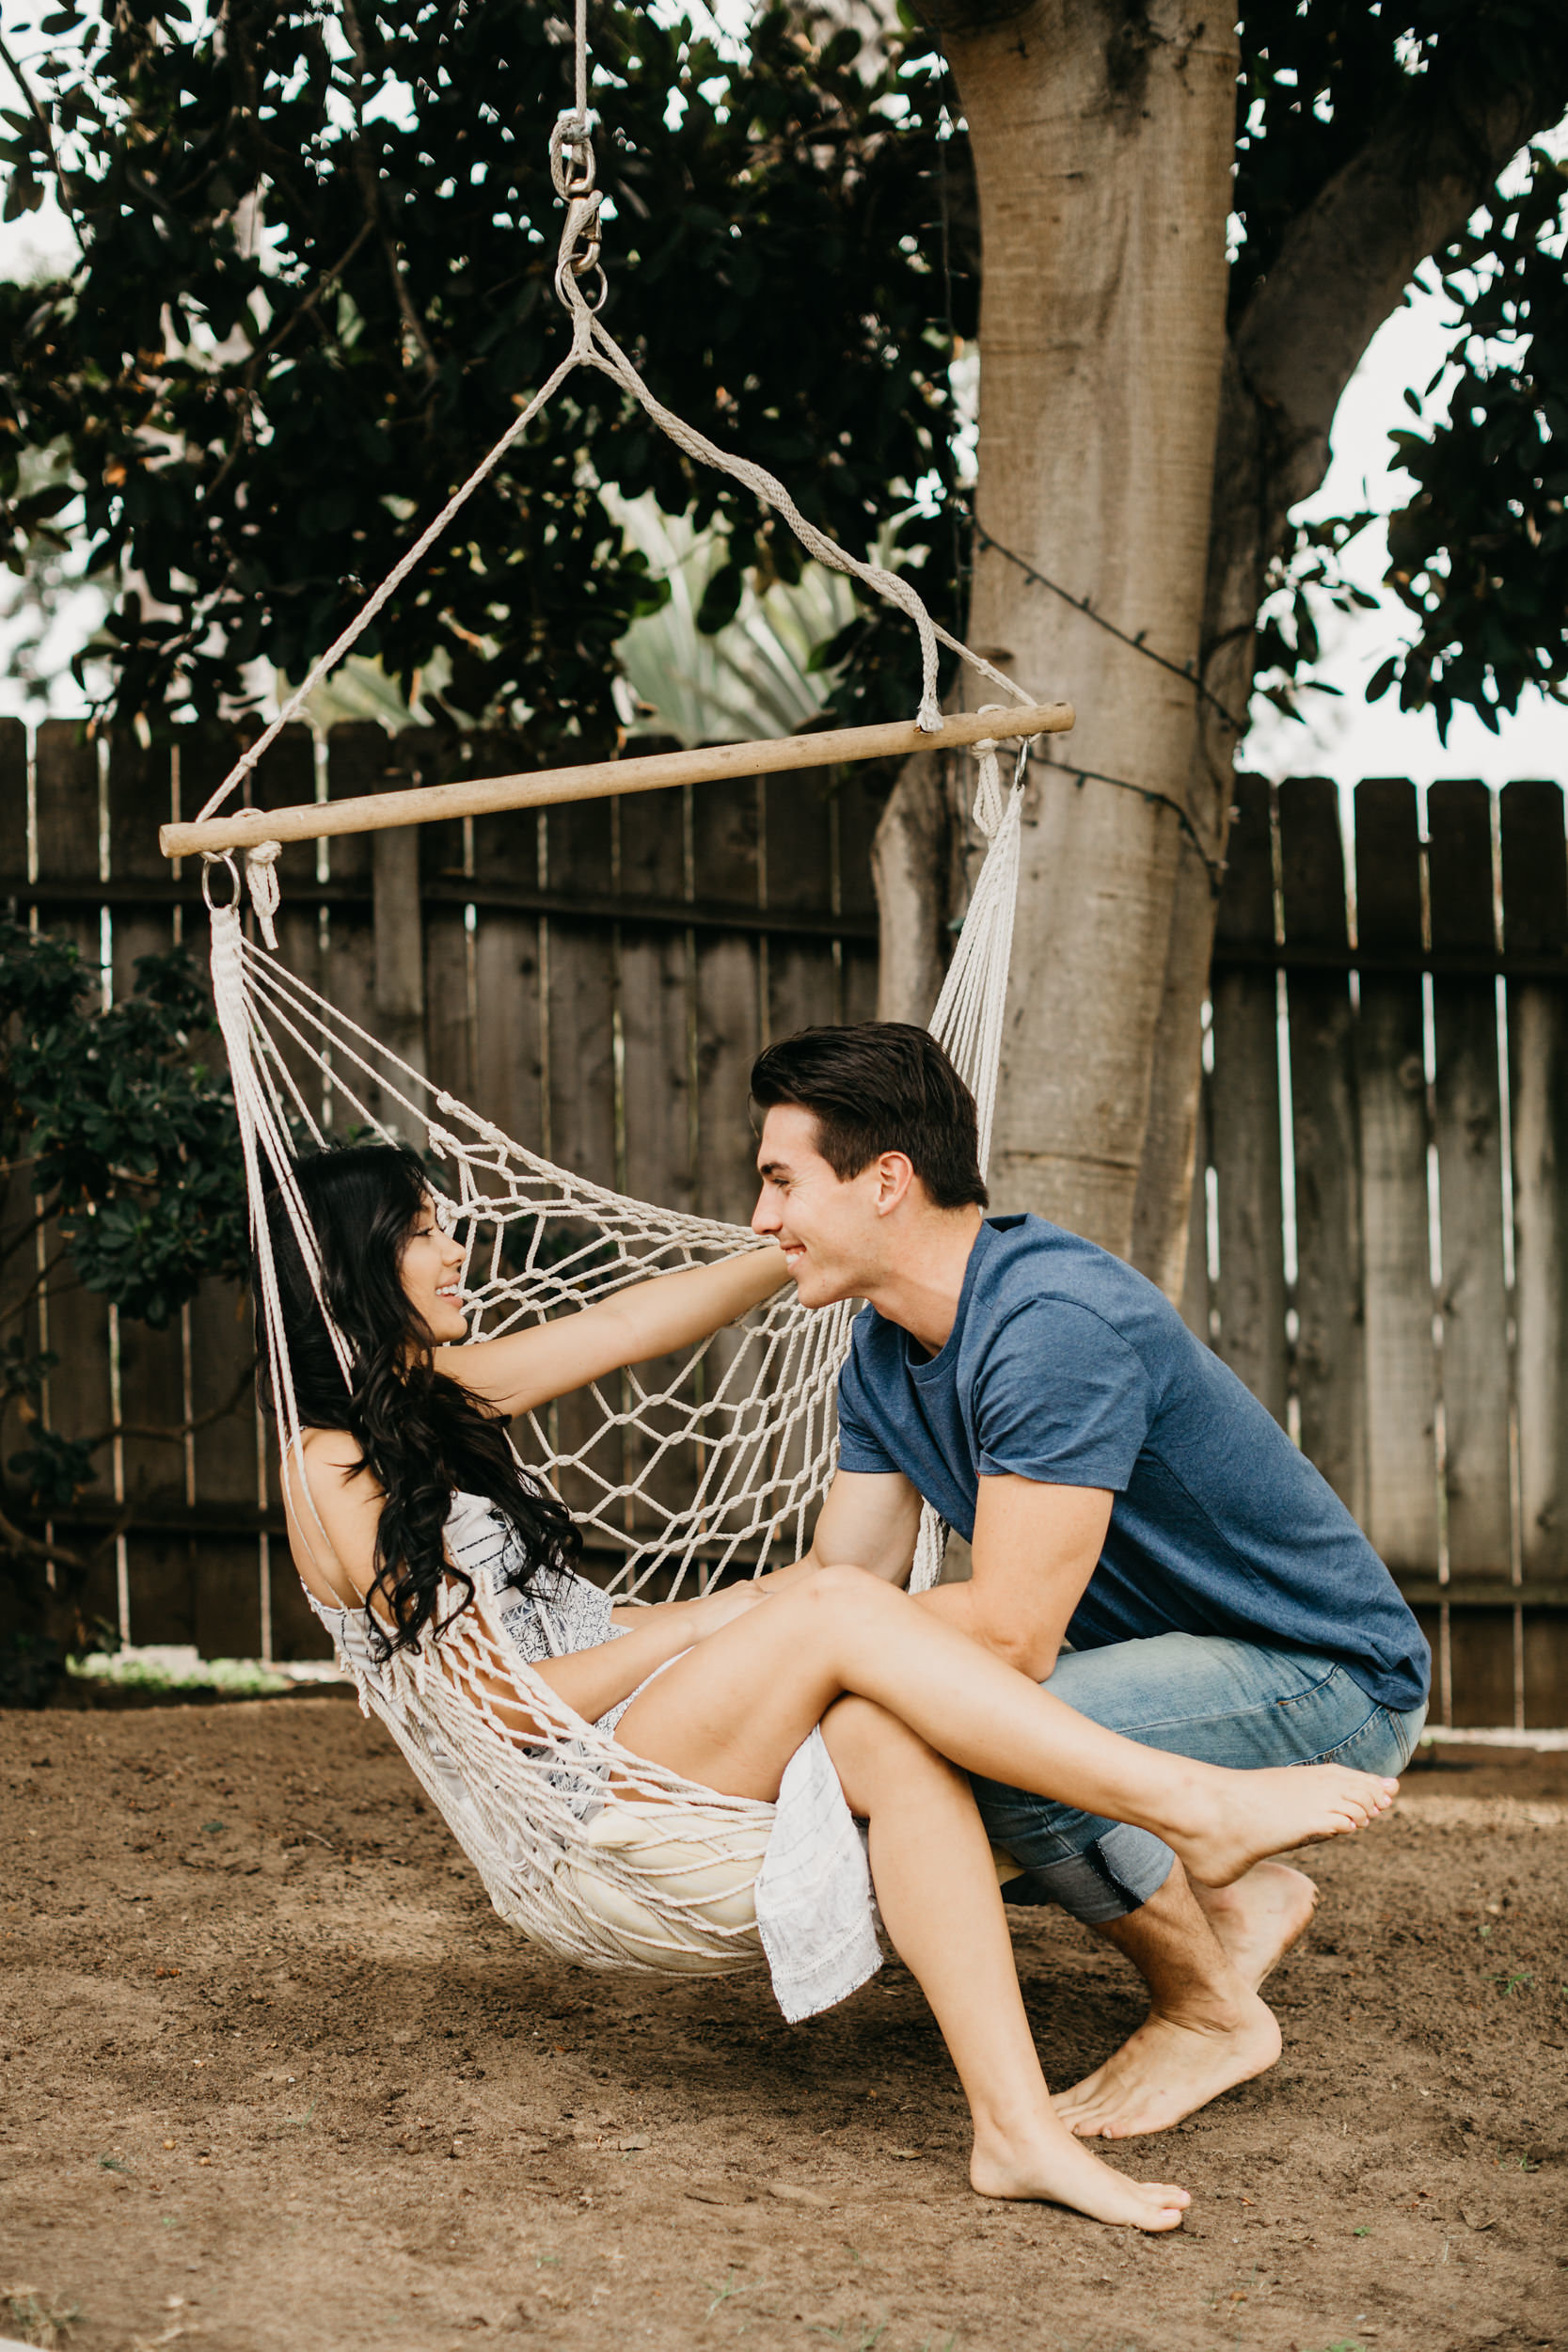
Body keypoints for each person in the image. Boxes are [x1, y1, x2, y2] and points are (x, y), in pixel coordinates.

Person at [266, 1145, 1398, 2234]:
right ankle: (1191, 1804)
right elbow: (502, 1710)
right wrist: (713, 1619)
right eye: (422, 1233)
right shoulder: (330, 1469)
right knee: (829, 1601)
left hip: (628, 1717)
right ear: (347, 1271)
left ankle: (1013, 2129)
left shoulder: (435, 1392)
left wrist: (820, 1244)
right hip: (569, 1776)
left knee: (886, 1730)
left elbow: (631, 1323)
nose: (457, 1250)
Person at [747, 1022, 1431, 2143]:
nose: (761, 1220)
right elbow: (840, 1579)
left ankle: (1209, 2014)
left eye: (780, 1180)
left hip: (1328, 1678)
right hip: (1176, 1665)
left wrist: (812, 1647)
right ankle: (1233, 1896)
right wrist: (676, 1644)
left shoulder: (1047, 1324)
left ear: (883, 1181)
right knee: (877, 1713)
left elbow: (1009, 1637)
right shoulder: (880, 1352)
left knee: (992, 1734)